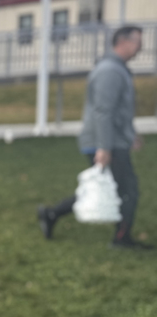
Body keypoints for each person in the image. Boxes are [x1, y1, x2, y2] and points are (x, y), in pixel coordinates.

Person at [38, 25, 150, 249]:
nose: (141, 47)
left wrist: (131, 134)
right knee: (127, 190)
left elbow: (118, 110)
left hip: (112, 139)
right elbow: (103, 111)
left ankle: (51, 214)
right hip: (106, 142)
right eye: (138, 41)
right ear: (123, 42)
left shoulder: (117, 69)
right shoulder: (110, 70)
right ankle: (121, 239)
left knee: (111, 187)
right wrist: (104, 147)